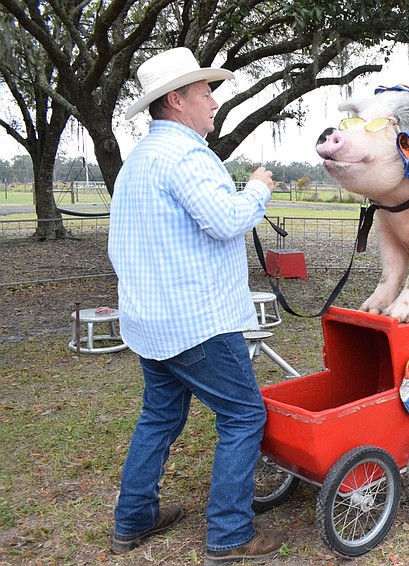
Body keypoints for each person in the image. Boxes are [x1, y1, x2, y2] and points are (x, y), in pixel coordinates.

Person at [108, 47, 284, 564]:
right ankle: (230, 534)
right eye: (205, 93)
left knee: (159, 417)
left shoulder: (140, 160)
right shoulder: (185, 156)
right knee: (244, 415)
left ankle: (134, 519)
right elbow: (227, 220)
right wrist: (258, 189)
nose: (213, 102)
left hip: (150, 322)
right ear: (176, 100)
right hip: (197, 323)